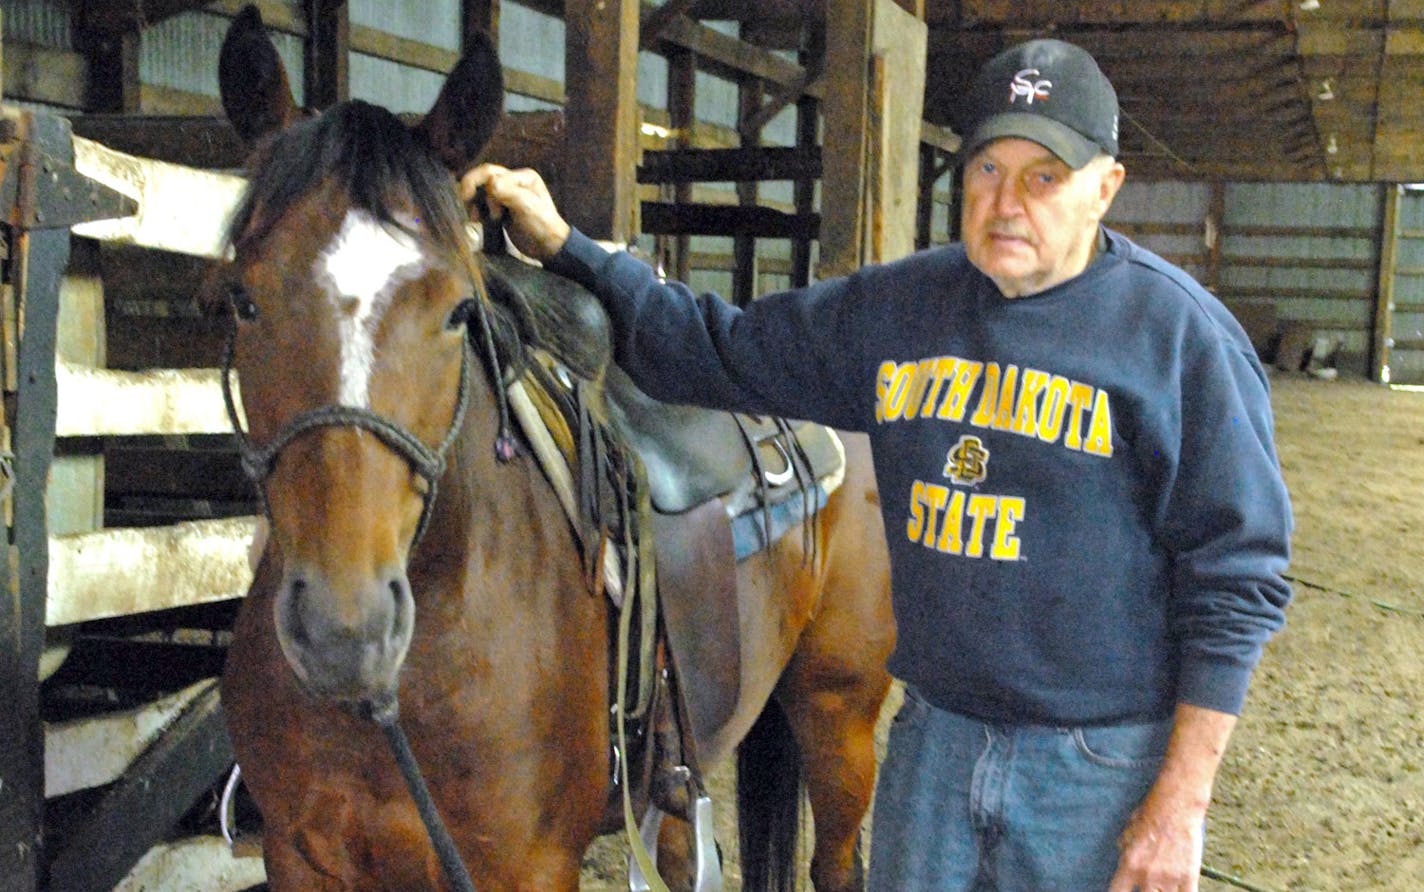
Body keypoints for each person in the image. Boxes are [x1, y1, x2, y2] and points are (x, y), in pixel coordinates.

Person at [464, 37, 1292, 892]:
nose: (1007, 202)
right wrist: (569, 248)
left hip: (1093, 761)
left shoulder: (1179, 339)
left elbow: (1239, 575)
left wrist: (1180, 802)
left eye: (1044, 176)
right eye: (986, 169)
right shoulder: (902, 308)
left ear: (1105, 189)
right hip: (935, 742)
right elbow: (717, 349)